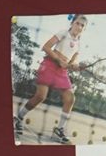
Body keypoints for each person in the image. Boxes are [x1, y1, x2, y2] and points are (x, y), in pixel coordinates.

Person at [16, 14, 86, 144]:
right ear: (72, 23)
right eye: (77, 23)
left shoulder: (78, 45)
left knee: (70, 98)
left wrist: (76, 66)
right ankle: (18, 118)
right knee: (40, 96)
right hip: (49, 65)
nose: (79, 27)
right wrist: (59, 60)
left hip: (62, 72)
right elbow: (46, 47)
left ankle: (59, 130)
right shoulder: (63, 33)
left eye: (82, 25)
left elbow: (72, 63)